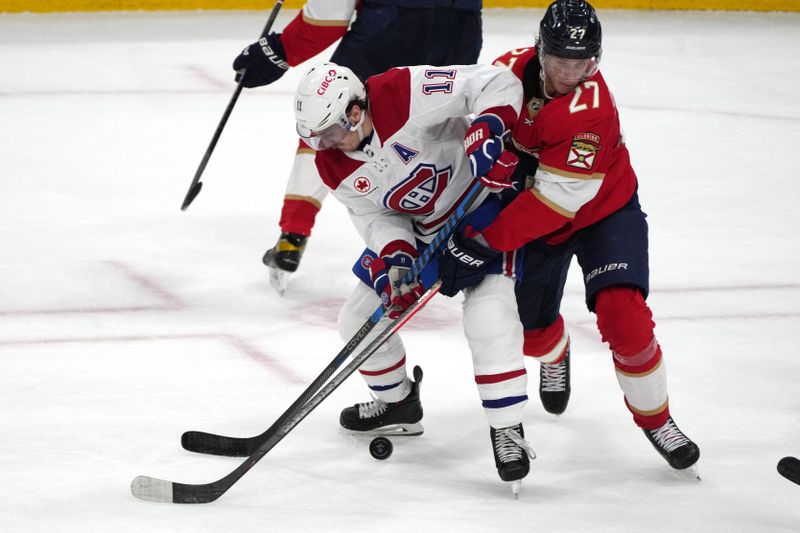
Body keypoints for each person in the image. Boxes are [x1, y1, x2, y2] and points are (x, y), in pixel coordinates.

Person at [438, 0, 700, 472]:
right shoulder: (506, 71)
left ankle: (657, 419)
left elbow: (556, 202)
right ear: (541, 49)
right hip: (537, 216)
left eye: (581, 64)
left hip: (603, 212)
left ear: (594, 61)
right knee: (533, 336)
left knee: (627, 321)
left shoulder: (590, 114)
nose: (568, 73)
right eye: (560, 60)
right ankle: (556, 351)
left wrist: (483, 241)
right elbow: (467, 114)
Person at [291, 60, 536, 488]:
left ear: (354, 111)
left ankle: (507, 428)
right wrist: (397, 258)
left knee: (488, 317)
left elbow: (494, 82)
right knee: (357, 319)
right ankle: (398, 405)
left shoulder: (402, 91)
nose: (324, 144)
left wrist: (489, 129)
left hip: (484, 208)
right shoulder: (332, 163)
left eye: (328, 131)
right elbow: (374, 216)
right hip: (424, 233)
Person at [231, 0, 483, 294]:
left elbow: (325, 20)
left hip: (391, 27)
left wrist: (279, 51)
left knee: (325, 120)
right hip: (461, 27)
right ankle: (482, 212)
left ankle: (293, 235)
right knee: (443, 116)